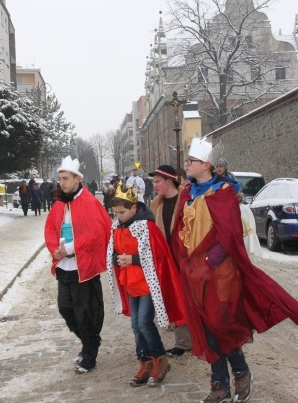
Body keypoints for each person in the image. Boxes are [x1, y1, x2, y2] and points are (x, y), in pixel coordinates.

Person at [172, 137, 298, 403]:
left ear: (206, 164)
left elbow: (229, 234)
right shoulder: (188, 193)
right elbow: (181, 231)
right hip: (193, 271)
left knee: (221, 323)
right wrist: (186, 262)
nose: (186, 164)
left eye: (191, 161)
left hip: (220, 272)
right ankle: (220, 385)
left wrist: (208, 263)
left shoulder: (223, 193)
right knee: (205, 326)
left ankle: (240, 371)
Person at [106, 181, 185, 387]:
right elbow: (113, 253)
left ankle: (161, 359)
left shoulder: (147, 227)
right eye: (115, 213)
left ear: (134, 208)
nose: (118, 216)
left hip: (148, 283)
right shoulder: (117, 226)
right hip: (130, 282)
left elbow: (158, 256)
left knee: (144, 322)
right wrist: (118, 259)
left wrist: (131, 259)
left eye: (122, 212)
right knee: (135, 324)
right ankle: (145, 361)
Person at [44, 156, 111, 374]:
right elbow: (50, 230)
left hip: (84, 265)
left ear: (77, 179)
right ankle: (90, 342)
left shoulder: (89, 202)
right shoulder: (59, 204)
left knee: (85, 312)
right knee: (65, 307)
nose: (61, 183)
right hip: (65, 265)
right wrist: (55, 248)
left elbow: (97, 232)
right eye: (59, 179)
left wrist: (71, 247)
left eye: (65, 178)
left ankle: (89, 354)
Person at [148, 164, 192, 358]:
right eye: (154, 182)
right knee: (175, 298)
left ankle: (202, 336)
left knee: (194, 299)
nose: (155, 185)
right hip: (167, 259)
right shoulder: (155, 204)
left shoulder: (188, 200)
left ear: (169, 181)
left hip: (187, 258)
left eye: (157, 182)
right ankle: (183, 342)